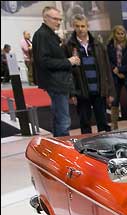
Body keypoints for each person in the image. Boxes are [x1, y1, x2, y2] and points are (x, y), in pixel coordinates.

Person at [33, 6, 81, 137]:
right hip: (55, 82)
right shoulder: (42, 35)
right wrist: (68, 61)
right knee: (63, 120)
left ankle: (57, 146)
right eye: (55, 19)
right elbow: (44, 61)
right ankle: (62, 149)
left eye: (60, 19)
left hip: (57, 81)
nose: (58, 22)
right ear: (45, 18)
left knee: (59, 118)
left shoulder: (47, 34)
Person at [64, 14, 112, 134]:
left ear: (87, 26)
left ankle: (106, 146)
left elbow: (106, 69)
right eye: (77, 26)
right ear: (73, 27)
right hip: (81, 92)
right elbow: (67, 73)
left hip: (98, 90)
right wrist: (71, 93)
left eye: (83, 26)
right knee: (85, 124)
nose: (80, 29)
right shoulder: (68, 47)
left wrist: (109, 91)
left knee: (103, 122)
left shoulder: (98, 45)